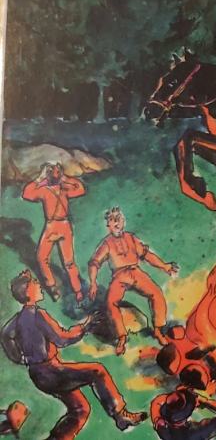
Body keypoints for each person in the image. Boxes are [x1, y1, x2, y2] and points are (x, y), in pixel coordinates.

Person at [0, 270, 146, 440]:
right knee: (97, 372)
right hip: (50, 372)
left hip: (39, 375)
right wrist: (85, 327)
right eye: (35, 283)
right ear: (27, 291)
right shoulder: (38, 315)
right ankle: (120, 415)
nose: (39, 285)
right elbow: (62, 339)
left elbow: (5, 335)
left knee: (80, 410)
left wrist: (20, 358)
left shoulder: (17, 319)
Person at [88, 207, 178, 355]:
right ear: (108, 225)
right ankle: (122, 338)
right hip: (119, 276)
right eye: (113, 220)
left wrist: (165, 266)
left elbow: (147, 255)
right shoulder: (106, 244)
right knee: (111, 303)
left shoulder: (131, 238)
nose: (116, 223)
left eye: (119, 219)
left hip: (136, 272)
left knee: (156, 293)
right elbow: (94, 263)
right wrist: (93, 283)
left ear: (123, 221)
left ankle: (158, 330)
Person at [21, 163, 85, 302]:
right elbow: (26, 194)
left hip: (59, 226)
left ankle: (72, 290)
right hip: (57, 226)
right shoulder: (47, 190)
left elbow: (81, 189)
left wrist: (65, 178)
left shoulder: (59, 189)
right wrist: (40, 178)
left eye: (56, 171)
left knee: (62, 261)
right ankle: (61, 288)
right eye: (52, 171)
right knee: (47, 258)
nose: (54, 173)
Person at [150, 387, 216, 440]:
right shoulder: (200, 432)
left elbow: (157, 402)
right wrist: (204, 400)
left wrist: (182, 395)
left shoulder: (162, 426)